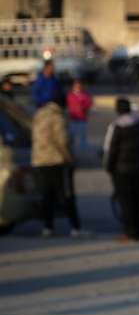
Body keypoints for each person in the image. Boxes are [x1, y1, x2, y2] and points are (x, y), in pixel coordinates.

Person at [31, 94, 81, 236]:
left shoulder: (39, 115)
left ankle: (48, 227)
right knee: (66, 194)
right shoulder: (58, 117)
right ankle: (75, 227)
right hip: (57, 161)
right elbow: (62, 141)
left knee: (47, 195)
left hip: (40, 160)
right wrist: (70, 158)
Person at [103, 98, 139, 241]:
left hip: (121, 170)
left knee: (126, 202)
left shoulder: (116, 126)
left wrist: (109, 167)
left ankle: (129, 232)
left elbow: (110, 150)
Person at [66, 79, 93, 156]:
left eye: (79, 85)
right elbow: (68, 105)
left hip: (82, 118)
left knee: (82, 137)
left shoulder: (85, 95)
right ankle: (72, 152)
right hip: (73, 118)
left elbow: (89, 103)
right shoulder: (70, 95)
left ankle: (83, 152)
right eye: (76, 85)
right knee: (71, 136)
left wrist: (83, 107)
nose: (78, 87)